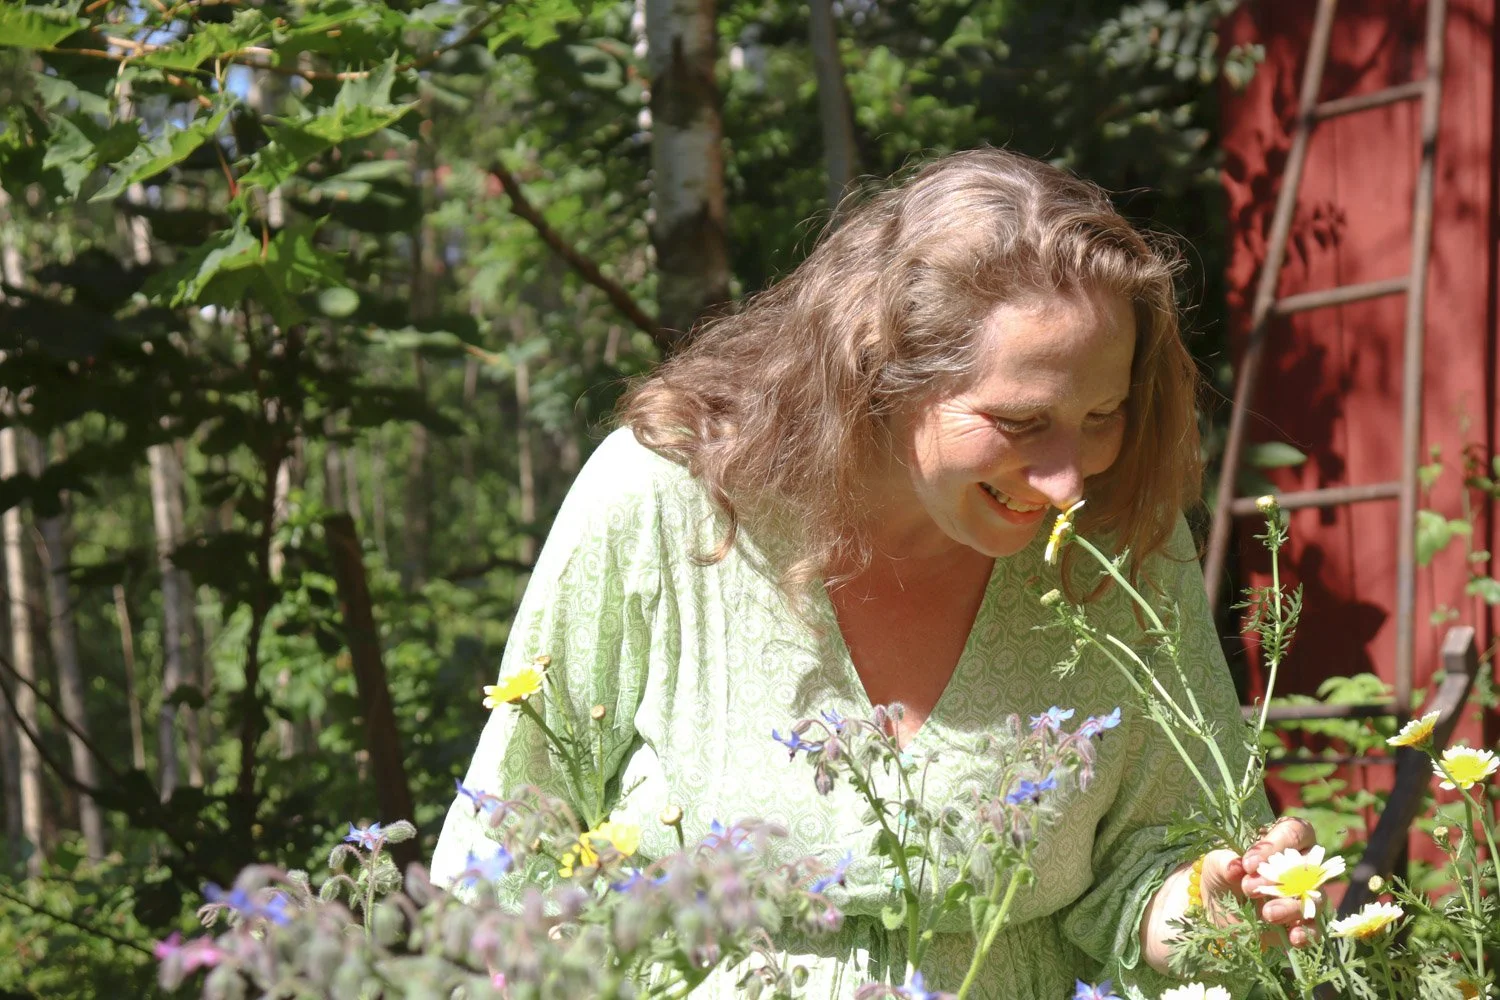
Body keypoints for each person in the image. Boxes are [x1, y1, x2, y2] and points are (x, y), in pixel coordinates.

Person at [430, 148, 1314, 999]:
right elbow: (500, 862)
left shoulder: (1119, 544)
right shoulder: (662, 502)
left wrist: (1212, 907)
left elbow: (1152, 864)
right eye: (1020, 421)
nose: (1066, 481)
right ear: (880, 369)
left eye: (1102, 415)